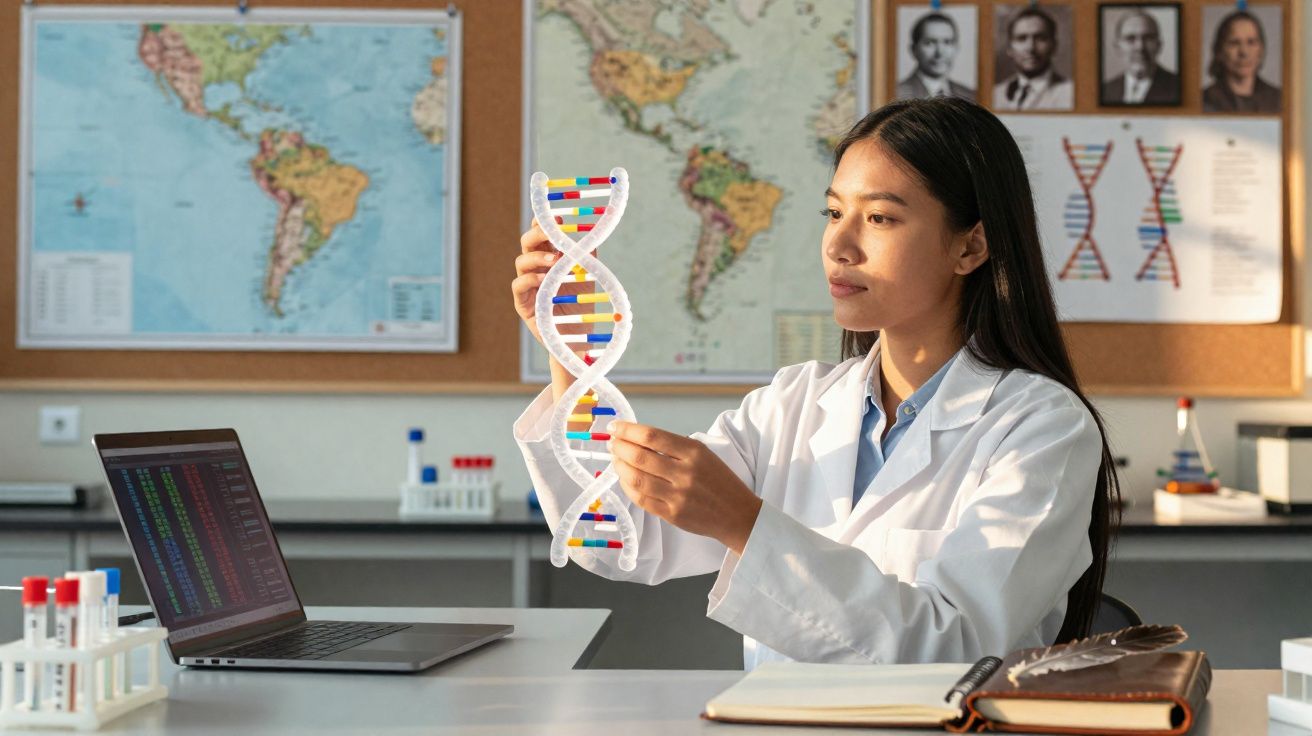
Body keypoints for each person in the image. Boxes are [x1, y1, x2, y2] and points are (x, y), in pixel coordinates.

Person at [511, 97, 1119, 669]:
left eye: (879, 217)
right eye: (833, 212)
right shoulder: (793, 404)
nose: (838, 244)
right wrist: (572, 353)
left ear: (971, 246)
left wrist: (744, 524)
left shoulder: (1042, 428)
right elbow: (619, 538)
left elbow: (956, 646)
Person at [992, 6, 1072, 111]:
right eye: (1021, 38)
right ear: (1009, 48)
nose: (1030, 48)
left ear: (1054, 45)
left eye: (1040, 38)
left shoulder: (1069, 93)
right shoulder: (997, 93)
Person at [1202, 10, 1281, 113]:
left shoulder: (1278, 99)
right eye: (1234, 43)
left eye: (1251, 42)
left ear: (1261, 50)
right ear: (1219, 51)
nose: (1244, 52)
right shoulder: (1205, 100)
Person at [1100, 8, 1180, 106]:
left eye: (1148, 38)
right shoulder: (1105, 90)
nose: (1140, 47)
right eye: (1130, 39)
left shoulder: (1177, 87)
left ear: (1159, 45)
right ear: (1118, 47)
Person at [896, 12, 975, 100]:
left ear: (956, 48)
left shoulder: (970, 96)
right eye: (929, 43)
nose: (940, 53)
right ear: (914, 49)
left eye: (947, 42)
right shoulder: (897, 94)